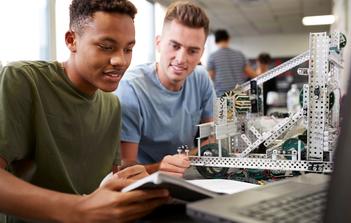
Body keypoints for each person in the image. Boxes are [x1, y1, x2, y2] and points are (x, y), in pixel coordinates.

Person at [0, 1, 170, 222]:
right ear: (72, 40)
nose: (121, 60)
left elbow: (104, 182)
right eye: (106, 46)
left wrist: (133, 179)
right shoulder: (22, 80)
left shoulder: (112, 105)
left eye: (128, 49)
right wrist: (78, 208)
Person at [114, 1, 215, 177]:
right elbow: (126, 172)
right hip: (145, 184)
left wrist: (184, 160)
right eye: (175, 46)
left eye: (192, 51)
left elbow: (212, 141)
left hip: (188, 175)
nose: (181, 59)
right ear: (159, 43)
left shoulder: (201, 78)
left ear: (201, 53)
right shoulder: (131, 89)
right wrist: (161, 167)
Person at [207, 29, 257, 96]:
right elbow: (251, 73)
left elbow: (209, 78)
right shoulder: (239, 54)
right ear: (228, 39)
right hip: (240, 95)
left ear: (215, 41)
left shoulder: (212, 57)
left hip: (222, 96)